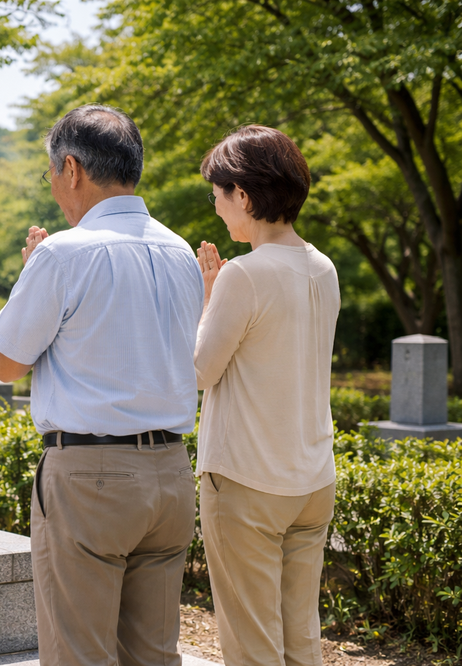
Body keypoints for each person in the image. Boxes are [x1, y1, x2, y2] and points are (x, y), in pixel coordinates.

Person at [0, 104, 204, 666]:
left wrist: (30, 270)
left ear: (73, 168)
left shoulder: (63, 251)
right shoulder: (180, 250)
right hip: (171, 473)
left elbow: (5, 362)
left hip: (91, 478)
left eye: (52, 172)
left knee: (78, 654)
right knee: (154, 655)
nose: (55, 187)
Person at [193, 125, 340, 666]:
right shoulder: (324, 266)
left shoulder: (245, 276)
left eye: (219, 196)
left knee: (252, 644)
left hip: (247, 481)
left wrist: (209, 295)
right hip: (311, 478)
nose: (217, 208)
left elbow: (201, 371)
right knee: (301, 638)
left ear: (245, 196)